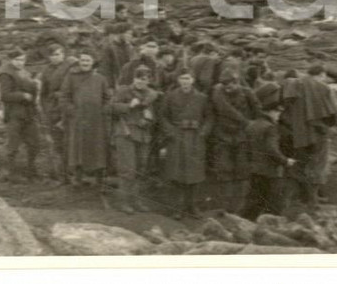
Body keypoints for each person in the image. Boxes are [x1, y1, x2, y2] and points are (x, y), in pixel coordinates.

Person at [280, 65, 337, 208]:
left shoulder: (293, 84)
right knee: (318, 165)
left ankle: (298, 199)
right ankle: (313, 200)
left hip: (298, 133)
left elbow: (284, 105)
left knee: (300, 164)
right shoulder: (324, 88)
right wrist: (329, 125)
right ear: (321, 74)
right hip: (319, 132)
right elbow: (334, 113)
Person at [239, 89, 296, 221]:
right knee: (275, 203)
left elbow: (245, 148)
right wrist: (285, 161)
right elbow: (271, 149)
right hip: (270, 171)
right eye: (278, 112)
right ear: (271, 112)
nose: (279, 116)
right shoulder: (271, 128)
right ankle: (273, 224)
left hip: (254, 169)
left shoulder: (252, 125)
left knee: (254, 200)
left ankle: (244, 223)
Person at [110, 65, 160, 213]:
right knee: (127, 169)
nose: (139, 81)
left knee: (140, 169)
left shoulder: (151, 95)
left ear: (149, 81)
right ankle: (124, 202)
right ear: (133, 78)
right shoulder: (124, 91)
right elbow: (110, 108)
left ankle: (136, 201)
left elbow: (156, 115)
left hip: (143, 135)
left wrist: (149, 119)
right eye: (137, 78)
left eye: (143, 79)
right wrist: (128, 106)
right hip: (126, 133)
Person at [209, 72, 261, 213]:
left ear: (237, 82)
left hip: (242, 136)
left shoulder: (247, 93)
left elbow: (257, 111)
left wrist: (250, 126)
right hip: (223, 136)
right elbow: (219, 109)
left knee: (242, 171)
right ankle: (224, 206)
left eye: (230, 85)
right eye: (224, 85)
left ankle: (239, 208)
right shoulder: (218, 92)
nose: (227, 88)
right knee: (224, 171)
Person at [161, 71, 210, 219]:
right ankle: (177, 207)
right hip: (177, 137)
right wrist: (171, 132)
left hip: (195, 138)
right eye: (182, 78)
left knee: (195, 173)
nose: (185, 81)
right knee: (177, 173)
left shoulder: (202, 97)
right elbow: (163, 116)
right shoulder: (170, 96)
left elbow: (210, 118)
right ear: (178, 80)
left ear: (193, 80)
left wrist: (203, 133)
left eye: (187, 78)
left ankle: (192, 206)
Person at [61, 51, 112, 187]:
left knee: (98, 148)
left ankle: (99, 178)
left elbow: (107, 97)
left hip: (97, 120)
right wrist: (72, 110)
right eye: (82, 60)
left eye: (88, 60)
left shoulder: (100, 78)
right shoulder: (71, 77)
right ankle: (78, 177)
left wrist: (104, 110)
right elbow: (64, 96)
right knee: (78, 147)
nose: (85, 63)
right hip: (79, 119)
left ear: (93, 62)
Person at [0, 49, 42, 180]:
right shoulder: (5, 74)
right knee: (13, 145)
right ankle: (10, 173)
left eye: (22, 60)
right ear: (11, 60)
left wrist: (35, 86)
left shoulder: (24, 72)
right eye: (17, 60)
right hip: (14, 113)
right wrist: (22, 95)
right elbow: (4, 95)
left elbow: (31, 90)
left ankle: (31, 170)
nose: (20, 62)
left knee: (34, 143)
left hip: (29, 112)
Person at [39, 43, 77, 182]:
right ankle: (62, 175)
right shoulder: (46, 71)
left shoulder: (71, 66)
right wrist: (46, 108)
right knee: (57, 143)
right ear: (49, 57)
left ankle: (74, 174)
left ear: (63, 54)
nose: (56, 57)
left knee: (71, 142)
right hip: (53, 109)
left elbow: (76, 87)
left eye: (59, 54)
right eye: (53, 55)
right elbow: (43, 93)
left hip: (68, 108)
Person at [97, 23, 134, 89]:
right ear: (119, 33)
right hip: (115, 84)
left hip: (128, 84)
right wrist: (110, 86)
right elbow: (106, 69)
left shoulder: (129, 48)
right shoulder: (109, 48)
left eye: (131, 34)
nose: (130, 36)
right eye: (128, 33)